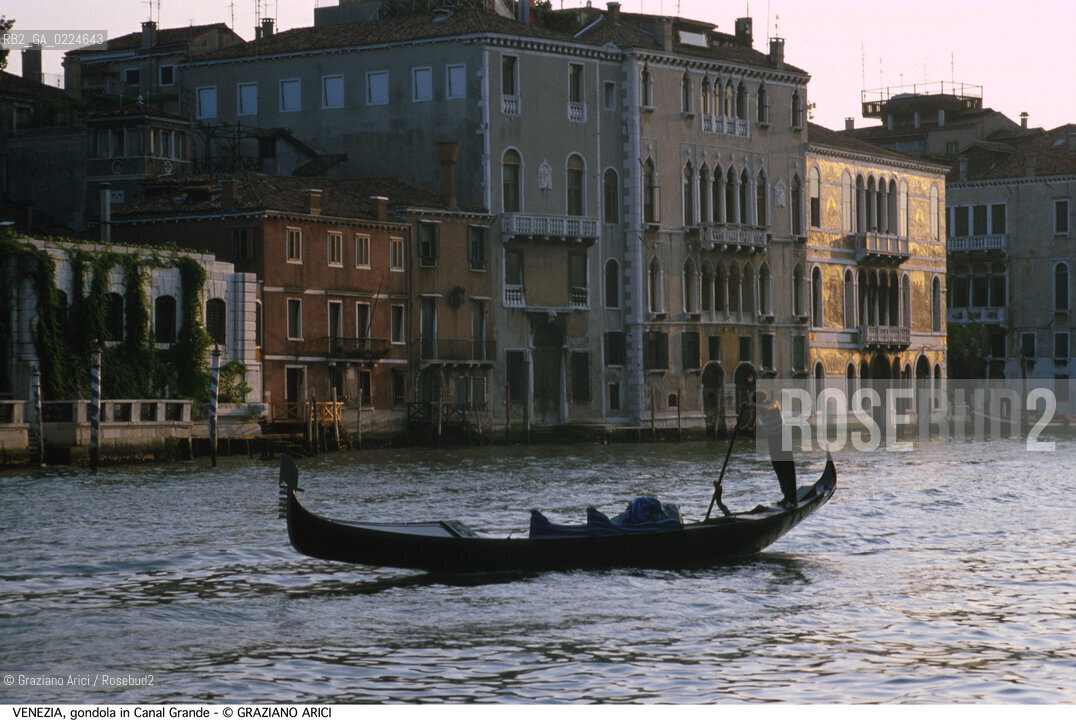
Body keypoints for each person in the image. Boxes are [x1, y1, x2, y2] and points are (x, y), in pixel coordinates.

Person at [738, 389, 798, 508]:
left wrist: (750, 405)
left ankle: (792, 498)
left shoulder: (773, 404)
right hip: (772, 438)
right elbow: (751, 425)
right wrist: (740, 428)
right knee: (778, 467)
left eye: (756, 402)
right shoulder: (757, 410)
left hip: (782, 436)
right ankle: (786, 496)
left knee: (787, 466)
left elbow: (767, 408)